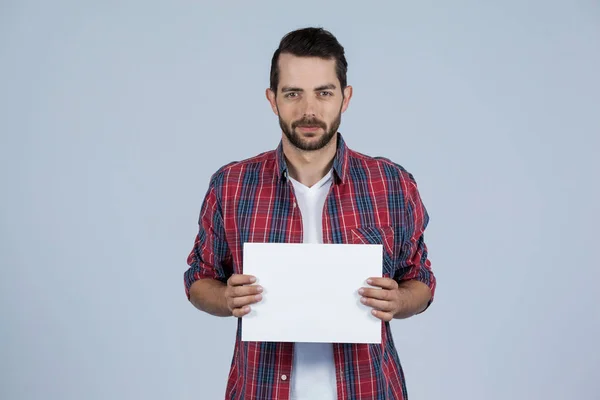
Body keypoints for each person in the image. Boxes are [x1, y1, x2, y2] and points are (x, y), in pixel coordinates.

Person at [184, 27, 436, 400]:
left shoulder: (392, 184)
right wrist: (224, 299)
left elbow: (421, 281)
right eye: (292, 94)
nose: (309, 110)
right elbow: (198, 279)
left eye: (324, 93)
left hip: (368, 389)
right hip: (261, 390)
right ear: (273, 100)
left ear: (345, 98)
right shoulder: (231, 185)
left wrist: (399, 300)